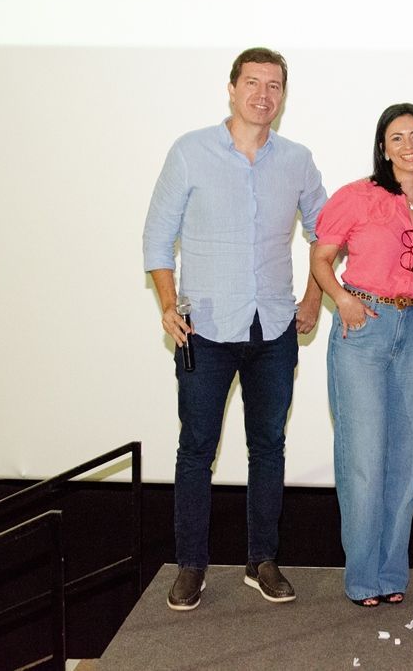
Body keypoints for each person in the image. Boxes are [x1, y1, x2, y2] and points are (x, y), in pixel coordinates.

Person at [142, 47, 327, 612]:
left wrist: (314, 298)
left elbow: (326, 232)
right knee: (196, 450)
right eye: (253, 82)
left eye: (274, 86)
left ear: (283, 95)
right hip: (205, 330)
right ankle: (191, 566)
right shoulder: (190, 151)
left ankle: (261, 560)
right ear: (231, 87)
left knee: (268, 447)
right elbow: (156, 239)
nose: (263, 95)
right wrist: (168, 304)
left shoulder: (296, 159)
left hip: (273, 327)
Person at [311, 103, 413, 607]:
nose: (408, 146)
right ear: (382, 148)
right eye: (396, 138)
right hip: (364, 329)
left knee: (408, 462)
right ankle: (362, 578)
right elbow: (322, 257)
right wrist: (343, 300)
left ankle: (393, 573)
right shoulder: (357, 197)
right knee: (364, 460)